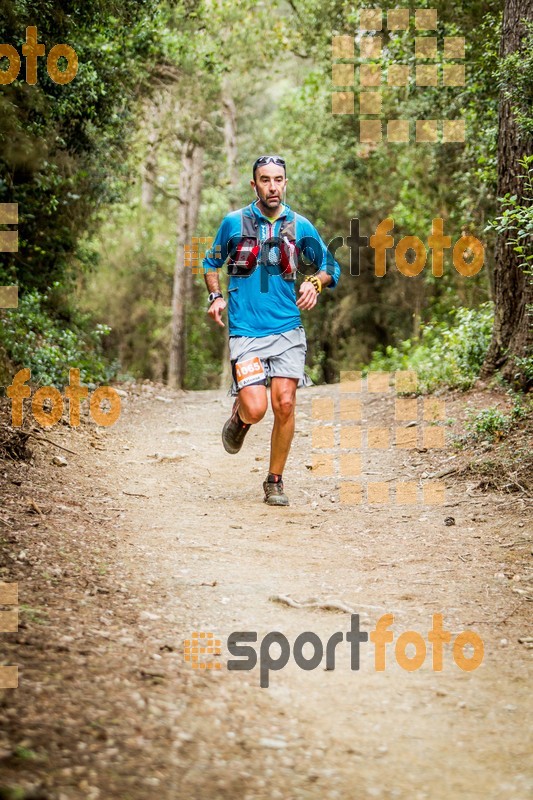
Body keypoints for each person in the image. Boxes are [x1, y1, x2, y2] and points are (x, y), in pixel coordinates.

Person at [202, 154, 341, 506]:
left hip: (287, 330)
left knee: (285, 402)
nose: (272, 186)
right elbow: (210, 261)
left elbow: (330, 266)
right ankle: (241, 419)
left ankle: (275, 480)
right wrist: (216, 295)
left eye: (278, 179)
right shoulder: (233, 223)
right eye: (265, 180)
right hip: (246, 332)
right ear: (254, 185)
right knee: (256, 407)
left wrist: (315, 283)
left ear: (286, 182)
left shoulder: (300, 226)